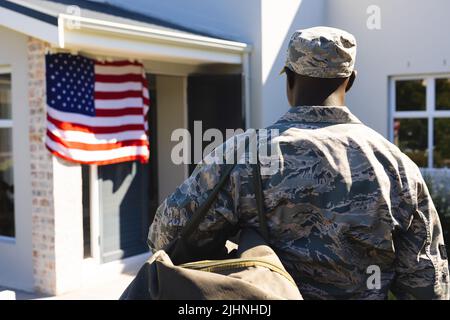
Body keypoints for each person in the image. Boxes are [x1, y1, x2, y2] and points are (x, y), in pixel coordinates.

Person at [148, 26, 449, 300]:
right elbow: (427, 284)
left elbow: (165, 237)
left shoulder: (243, 155)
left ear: (288, 79)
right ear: (351, 80)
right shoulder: (395, 166)